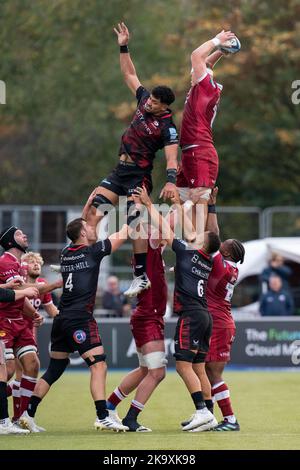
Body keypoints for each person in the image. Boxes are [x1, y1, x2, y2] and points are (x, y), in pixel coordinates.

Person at [89, 22, 179, 297]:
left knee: (135, 223)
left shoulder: (168, 126)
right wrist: (123, 45)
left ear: (165, 106)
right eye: (149, 99)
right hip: (119, 171)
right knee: (94, 211)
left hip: (139, 176)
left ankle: (140, 276)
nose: (149, 103)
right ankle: (83, 259)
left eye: (154, 102)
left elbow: (172, 157)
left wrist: (172, 180)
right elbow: (129, 73)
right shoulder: (143, 100)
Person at [19, 217, 131, 433]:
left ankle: (28, 414)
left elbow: (81, 228)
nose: (92, 228)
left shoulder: (66, 253)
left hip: (61, 319)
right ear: (81, 234)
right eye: (88, 227)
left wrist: (90, 210)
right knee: (99, 365)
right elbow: (121, 236)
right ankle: (102, 416)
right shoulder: (91, 252)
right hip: (79, 318)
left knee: (54, 369)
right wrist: (133, 218)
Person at [134, 186, 221, 432]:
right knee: (199, 367)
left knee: (183, 365)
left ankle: (202, 412)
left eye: (200, 235)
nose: (196, 233)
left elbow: (164, 227)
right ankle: (210, 414)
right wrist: (181, 205)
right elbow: (192, 232)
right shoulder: (205, 257)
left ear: (202, 243)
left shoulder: (187, 251)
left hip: (191, 315)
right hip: (205, 316)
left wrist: (149, 204)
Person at [106, 235, 168, 432]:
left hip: (147, 315)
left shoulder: (151, 252)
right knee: (157, 372)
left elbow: (166, 232)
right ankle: (130, 419)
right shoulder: (150, 243)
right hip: (149, 316)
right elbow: (168, 222)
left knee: (144, 369)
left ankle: (108, 408)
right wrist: (185, 204)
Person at [176, 29, 236, 227]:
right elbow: (206, 63)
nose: (191, 74)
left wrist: (217, 40)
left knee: (198, 203)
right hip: (190, 152)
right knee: (183, 202)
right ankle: (192, 246)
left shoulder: (205, 88)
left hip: (199, 151)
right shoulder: (204, 87)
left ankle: (200, 250)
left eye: (194, 72)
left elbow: (197, 56)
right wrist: (221, 50)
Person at [203, 188, 245, 431]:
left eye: (225, 244)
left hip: (219, 323)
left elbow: (213, 234)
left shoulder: (222, 266)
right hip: (218, 321)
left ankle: (230, 420)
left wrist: (212, 206)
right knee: (207, 371)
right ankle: (207, 416)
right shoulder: (228, 267)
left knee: (214, 374)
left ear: (227, 251)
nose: (222, 242)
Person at [6, 251, 59, 423]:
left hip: (27, 333)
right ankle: (18, 417)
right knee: (12, 371)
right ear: (21, 266)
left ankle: (20, 418)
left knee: (25, 371)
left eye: (38, 262)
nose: (36, 264)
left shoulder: (42, 284)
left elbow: (52, 311)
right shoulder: (18, 284)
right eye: (31, 262)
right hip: (9, 329)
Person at [0, 226, 45, 425]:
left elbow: (20, 297)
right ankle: (5, 420)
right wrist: (53, 285)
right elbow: (16, 291)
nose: (24, 235)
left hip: (18, 321)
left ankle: (22, 418)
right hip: (4, 321)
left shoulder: (19, 264)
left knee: (33, 363)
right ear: (10, 241)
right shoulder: (6, 261)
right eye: (19, 234)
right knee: (8, 370)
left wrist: (34, 313)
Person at [0, 282, 39, 435]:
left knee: (7, 371)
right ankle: (4, 422)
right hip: (5, 324)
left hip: (18, 325)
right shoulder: (5, 264)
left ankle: (10, 420)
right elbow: (4, 294)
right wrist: (24, 291)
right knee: (6, 371)